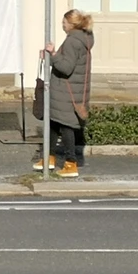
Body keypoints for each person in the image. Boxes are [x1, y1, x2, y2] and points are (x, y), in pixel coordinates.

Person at [42, 10, 95, 176]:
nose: (62, 24)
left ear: (71, 24)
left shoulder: (72, 41)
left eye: (64, 21)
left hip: (66, 90)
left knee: (66, 126)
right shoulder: (83, 38)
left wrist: (53, 54)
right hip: (72, 90)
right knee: (53, 123)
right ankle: (48, 157)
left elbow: (66, 67)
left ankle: (71, 163)